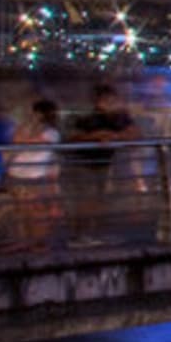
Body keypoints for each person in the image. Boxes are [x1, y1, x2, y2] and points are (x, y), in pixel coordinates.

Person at [62, 85, 139, 244]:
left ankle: (91, 233)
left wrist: (114, 136)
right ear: (98, 100)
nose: (112, 103)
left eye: (113, 99)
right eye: (108, 100)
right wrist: (94, 137)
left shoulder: (119, 116)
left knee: (97, 199)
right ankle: (80, 235)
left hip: (104, 164)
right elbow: (70, 137)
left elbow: (135, 134)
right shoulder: (85, 115)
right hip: (83, 163)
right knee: (87, 199)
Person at [2, 98, 63, 251]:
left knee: (37, 212)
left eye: (35, 113)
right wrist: (28, 128)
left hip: (34, 177)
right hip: (17, 175)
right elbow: (17, 140)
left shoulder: (51, 133)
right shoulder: (24, 127)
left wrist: (29, 132)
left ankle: (39, 242)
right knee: (21, 211)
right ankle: (25, 241)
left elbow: (31, 143)